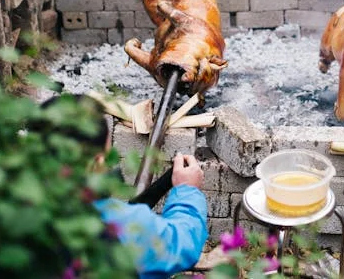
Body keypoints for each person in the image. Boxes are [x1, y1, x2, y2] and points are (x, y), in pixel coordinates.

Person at [29, 94, 209, 278]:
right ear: (96, 162)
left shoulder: (9, 211)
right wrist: (187, 190)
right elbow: (183, 244)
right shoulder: (123, 225)